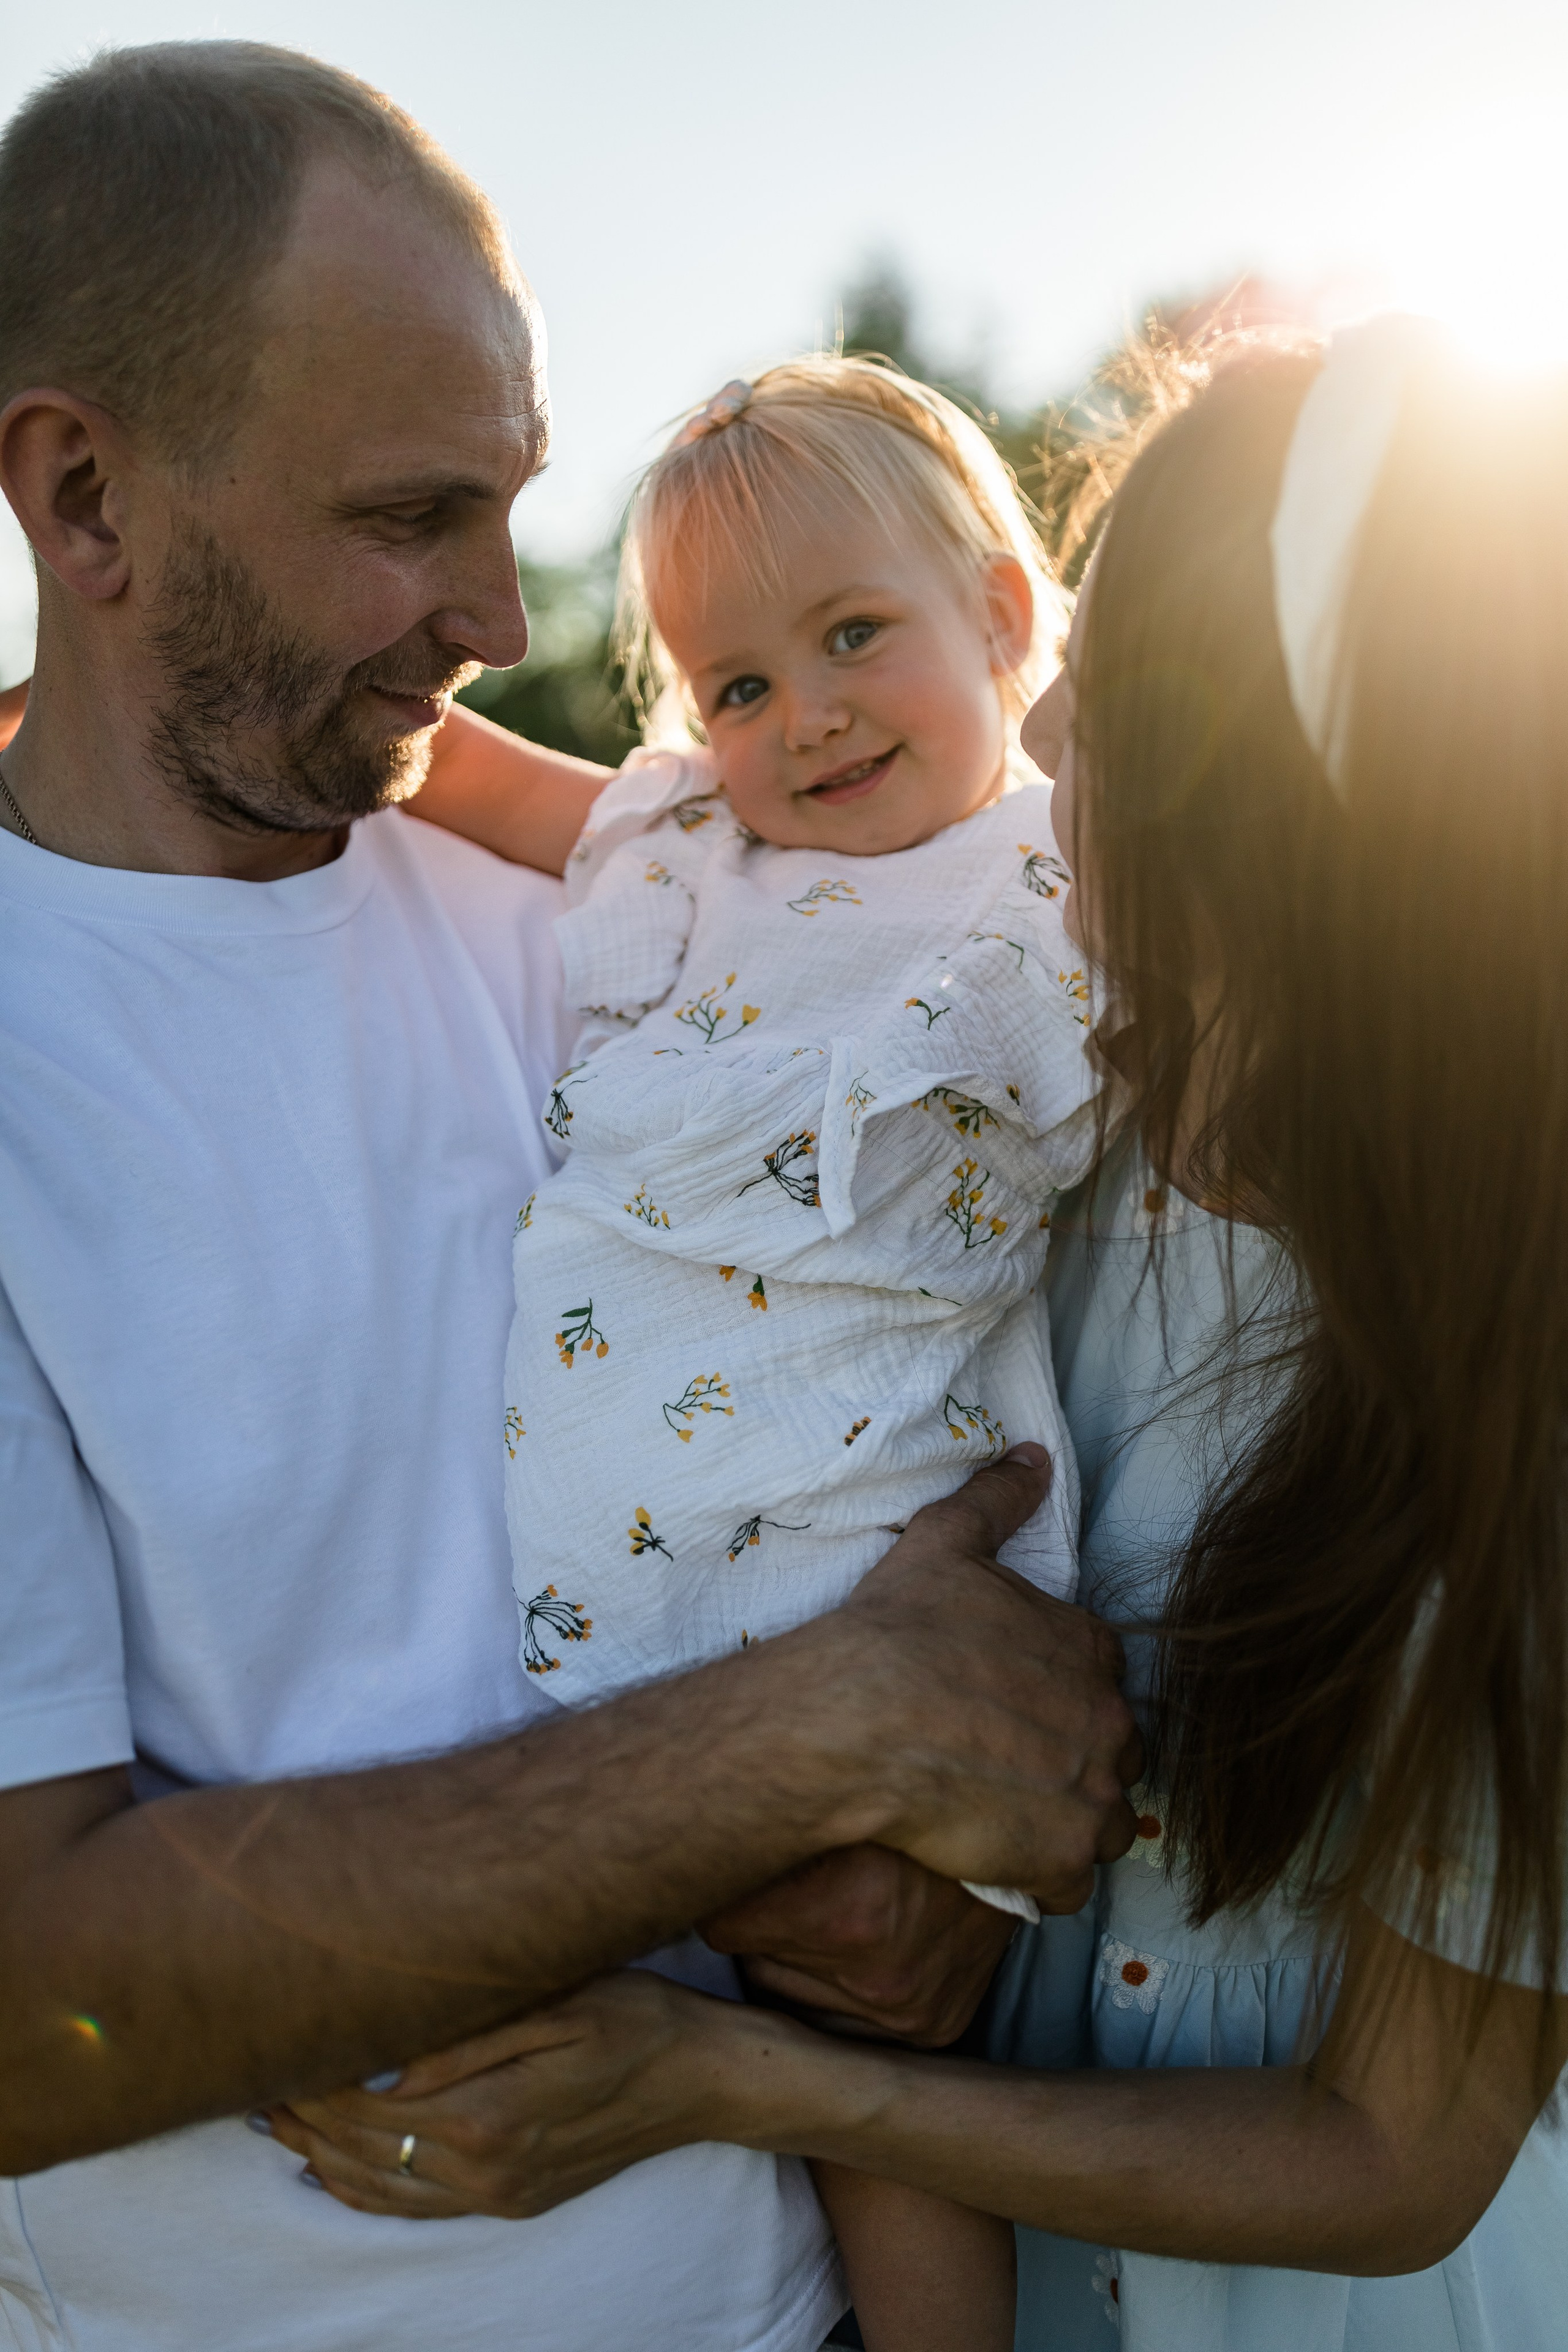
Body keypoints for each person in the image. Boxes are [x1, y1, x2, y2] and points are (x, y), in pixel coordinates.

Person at [0, 42, 1140, 2352]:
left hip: (800, 2291)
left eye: (505, 504)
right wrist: (816, 1737)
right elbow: (26, 2007)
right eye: (406, 517)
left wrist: (960, 1840)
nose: (494, 619)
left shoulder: (653, 926)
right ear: (86, 496)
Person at [272, 320, 1568, 2350]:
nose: (1043, 772)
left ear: (1319, 867)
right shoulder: (1033, 1156)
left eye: (1110, 733)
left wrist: (737, 2075)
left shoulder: (1512, 1380)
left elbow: (1400, 2158)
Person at [377, 353, 1101, 2352]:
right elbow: (457, 768)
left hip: (853, 1557)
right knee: (577, 2006)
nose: (809, 717)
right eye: (743, 685)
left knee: (879, 2080)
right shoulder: (689, 845)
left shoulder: (1063, 881)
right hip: (615, 1613)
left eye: (856, 634)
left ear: (1007, 618)